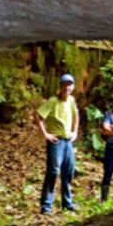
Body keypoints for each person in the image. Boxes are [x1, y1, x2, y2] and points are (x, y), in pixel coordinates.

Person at [35, 73, 79, 214]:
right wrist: (46, 134)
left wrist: (75, 131)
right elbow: (39, 116)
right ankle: (46, 205)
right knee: (53, 171)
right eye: (65, 84)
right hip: (56, 141)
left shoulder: (71, 100)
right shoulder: (53, 101)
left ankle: (68, 203)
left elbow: (76, 115)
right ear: (60, 86)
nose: (67, 87)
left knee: (69, 171)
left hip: (68, 142)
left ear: (73, 87)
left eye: (70, 84)